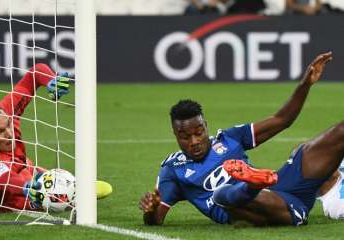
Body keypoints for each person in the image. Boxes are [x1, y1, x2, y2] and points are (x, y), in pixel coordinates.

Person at [139, 52, 337, 226]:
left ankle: (258, 181)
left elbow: (282, 120)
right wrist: (150, 210)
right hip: (260, 210)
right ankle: (252, 184)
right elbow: (157, 219)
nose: (194, 141)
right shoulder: (174, 169)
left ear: (206, 126)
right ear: (176, 136)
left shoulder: (229, 138)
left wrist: (305, 85)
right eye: (185, 137)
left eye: (198, 132)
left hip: (281, 189)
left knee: (315, 146)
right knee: (222, 195)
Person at [0, 64, 112, 212]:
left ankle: (74, 186)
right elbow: (6, 180)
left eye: (9, 124)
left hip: (14, 162)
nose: (9, 134)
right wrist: (25, 186)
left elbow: (35, 73)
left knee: (37, 173)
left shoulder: (3, 114)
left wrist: (52, 81)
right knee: (43, 197)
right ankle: (71, 194)